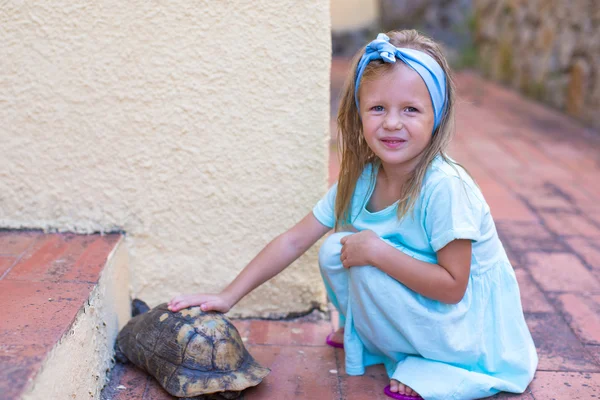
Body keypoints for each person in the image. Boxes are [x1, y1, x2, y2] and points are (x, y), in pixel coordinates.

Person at [169, 30, 538, 400]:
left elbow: (454, 287)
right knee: (335, 250)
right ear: (359, 114)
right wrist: (228, 296)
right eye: (378, 108)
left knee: (363, 255)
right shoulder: (363, 179)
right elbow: (295, 239)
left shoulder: (445, 188)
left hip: (466, 330)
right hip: (427, 306)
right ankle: (368, 333)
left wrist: (377, 252)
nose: (392, 123)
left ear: (436, 116)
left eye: (410, 109)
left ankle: (437, 364)